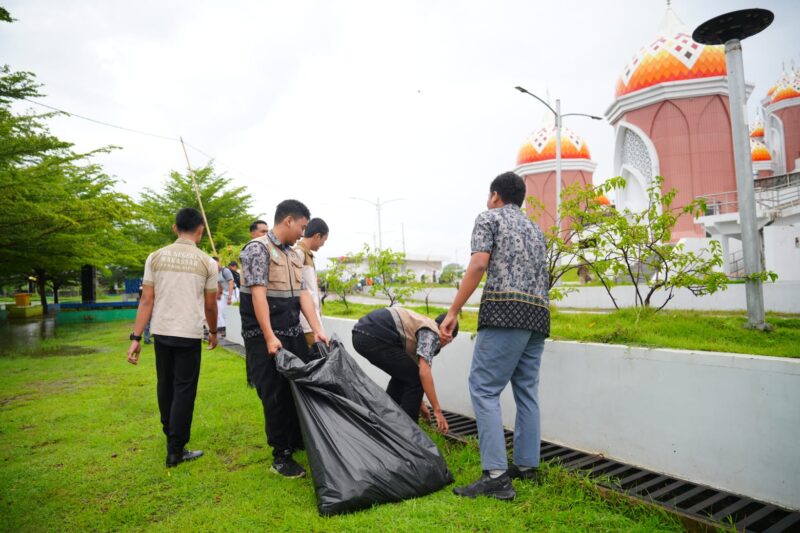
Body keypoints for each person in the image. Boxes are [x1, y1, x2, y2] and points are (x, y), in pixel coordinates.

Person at [440, 171, 550, 501]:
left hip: (505, 312)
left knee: (483, 388)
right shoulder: (536, 229)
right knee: (527, 391)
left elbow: (478, 265)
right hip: (538, 316)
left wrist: (453, 310)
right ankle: (527, 466)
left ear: (495, 196)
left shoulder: (489, 218)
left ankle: (496, 476)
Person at [239, 199, 329, 479]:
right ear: (288, 220)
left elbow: (303, 295)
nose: (303, 233)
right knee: (274, 394)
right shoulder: (258, 249)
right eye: (301, 227)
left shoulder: (293, 255)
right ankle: (281, 456)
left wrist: (317, 329)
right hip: (264, 336)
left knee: (296, 389)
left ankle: (294, 439)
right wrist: (268, 336)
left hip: (291, 332)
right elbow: (258, 295)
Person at [126, 207, 219, 468]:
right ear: (200, 231)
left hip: (162, 331)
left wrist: (136, 337)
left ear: (175, 228)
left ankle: (171, 436)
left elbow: (146, 300)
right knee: (184, 389)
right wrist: (213, 332)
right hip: (188, 333)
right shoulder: (207, 262)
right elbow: (211, 305)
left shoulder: (155, 257)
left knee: (165, 385)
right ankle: (175, 449)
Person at [351, 307, 458, 434]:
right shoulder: (432, 334)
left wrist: (420, 404)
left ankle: (384, 423)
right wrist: (437, 411)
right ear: (449, 337)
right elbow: (423, 373)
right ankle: (409, 435)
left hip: (362, 333)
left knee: (402, 377)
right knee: (416, 378)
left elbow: (408, 373)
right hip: (372, 335)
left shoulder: (422, 328)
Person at [294, 218, 329, 347]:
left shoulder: (306, 254)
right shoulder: (299, 253)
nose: (323, 244)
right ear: (317, 236)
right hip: (305, 323)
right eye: (324, 240)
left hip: (311, 322)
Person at [214, 257, 234, 337]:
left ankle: (231, 329)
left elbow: (231, 283)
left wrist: (230, 297)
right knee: (219, 309)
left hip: (232, 292)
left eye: (216, 263)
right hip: (224, 292)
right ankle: (223, 327)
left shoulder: (225, 271)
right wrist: (219, 294)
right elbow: (219, 284)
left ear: (219, 262)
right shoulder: (216, 273)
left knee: (230, 311)